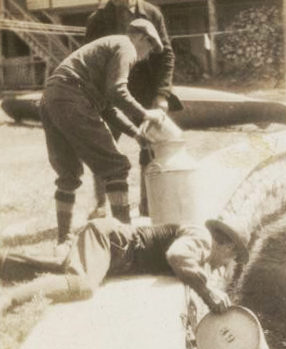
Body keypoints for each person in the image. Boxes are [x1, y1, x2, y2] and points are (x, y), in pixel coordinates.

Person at [40, 18, 167, 249]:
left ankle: (63, 240)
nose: (147, 56)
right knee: (117, 167)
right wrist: (147, 114)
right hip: (72, 96)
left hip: (52, 96)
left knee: (68, 174)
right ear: (140, 37)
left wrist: (136, 133)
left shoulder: (110, 47)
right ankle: (127, 240)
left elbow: (108, 107)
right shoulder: (126, 46)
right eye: (150, 48)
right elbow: (117, 90)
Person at [0, 216, 249, 315]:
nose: (223, 268)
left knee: (57, 271)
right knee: (82, 284)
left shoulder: (201, 242)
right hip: (111, 242)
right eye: (230, 260)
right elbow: (177, 256)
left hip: (113, 251)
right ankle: (9, 298)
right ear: (228, 247)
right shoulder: (202, 239)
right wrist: (208, 292)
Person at [85, 0, 182, 217]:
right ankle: (102, 205)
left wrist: (162, 95)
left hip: (146, 93)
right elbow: (92, 60)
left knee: (151, 147)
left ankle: (149, 204)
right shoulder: (98, 19)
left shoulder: (152, 13)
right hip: (110, 94)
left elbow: (166, 55)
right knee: (103, 147)